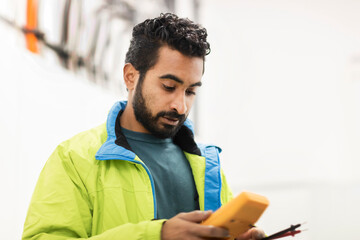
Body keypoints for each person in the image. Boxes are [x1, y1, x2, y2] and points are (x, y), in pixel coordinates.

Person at [22, 13, 265, 240]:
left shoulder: (206, 163)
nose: (180, 106)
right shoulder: (74, 159)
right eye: (169, 86)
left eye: (190, 91)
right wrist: (156, 234)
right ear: (130, 76)